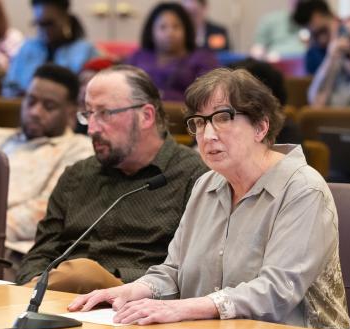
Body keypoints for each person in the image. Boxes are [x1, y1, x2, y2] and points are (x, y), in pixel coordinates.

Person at [68, 68, 350, 329]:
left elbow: (276, 292)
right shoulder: (207, 184)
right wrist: (133, 290)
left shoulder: (303, 189)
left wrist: (183, 309)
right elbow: (173, 271)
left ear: (261, 127)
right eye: (199, 123)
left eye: (223, 118)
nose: (208, 134)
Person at [16, 65, 207, 292]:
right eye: (88, 114)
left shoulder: (195, 178)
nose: (92, 129)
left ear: (146, 116)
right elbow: (40, 254)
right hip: (59, 300)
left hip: (139, 306)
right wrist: (35, 284)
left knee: (83, 274)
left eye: (105, 114)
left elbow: (191, 271)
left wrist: (105, 279)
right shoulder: (76, 176)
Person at [0, 63, 93, 254]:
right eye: (31, 101)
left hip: (7, 247)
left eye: (48, 106)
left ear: (70, 111)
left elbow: (48, 211)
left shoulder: (79, 149)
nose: (35, 112)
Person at [126, 2, 219, 102]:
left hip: (185, 115)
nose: (170, 33)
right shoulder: (139, 56)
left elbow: (209, 98)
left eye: (176, 26)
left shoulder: (203, 59)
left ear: (186, 30)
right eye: (163, 27)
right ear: (151, 31)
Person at [2, 0, 98, 97]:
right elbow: (9, 86)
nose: (42, 30)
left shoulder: (86, 51)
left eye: (48, 24)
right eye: (38, 24)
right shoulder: (27, 48)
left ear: (65, 19)